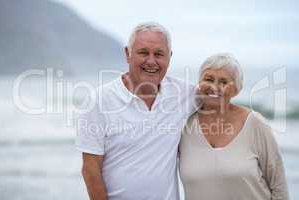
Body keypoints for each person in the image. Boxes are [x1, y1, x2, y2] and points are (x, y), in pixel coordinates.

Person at [76, 22, 197, 200]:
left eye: (159, 54)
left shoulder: (185, 94)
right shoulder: (99, 101)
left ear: (169, 57)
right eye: (143, 52)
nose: (151, 61)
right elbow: (90, 169)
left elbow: (220, 95)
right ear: (128, 54)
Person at [179, 53, 289, 200]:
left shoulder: (255, 123)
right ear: (199, 83)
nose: (214, 87)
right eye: (208, 79)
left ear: (237, 89)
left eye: (224, 82)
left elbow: (279, 185)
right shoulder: (184, 125)